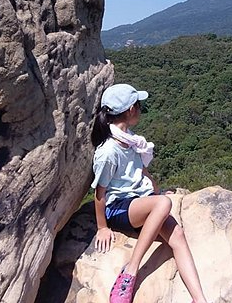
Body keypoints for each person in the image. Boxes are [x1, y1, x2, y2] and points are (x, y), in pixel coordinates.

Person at [90, 83, 210, 303]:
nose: (141, 109)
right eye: (139, 105)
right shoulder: (108, 151)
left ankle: (199, 299)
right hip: (119, 208)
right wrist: (102, 227)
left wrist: (156, 189)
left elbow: (140, 171)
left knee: (178, 236)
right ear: (130, 110)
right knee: (163, 204)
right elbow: (100, 192)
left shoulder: (130, 139)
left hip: (140, 202)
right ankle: (130, 271)